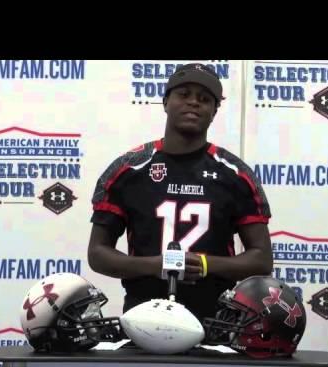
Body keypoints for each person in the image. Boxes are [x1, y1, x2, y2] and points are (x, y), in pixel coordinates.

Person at [88, 63, 272, 321]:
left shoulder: (235, 174)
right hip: (142, 317)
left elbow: (262, 259)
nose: (194, 103)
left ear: (214, 111)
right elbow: (97, 254)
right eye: (184, 94)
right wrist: (155, 265)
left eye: (204, 99)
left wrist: (206, 265)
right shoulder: (128, 170)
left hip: (216, 322)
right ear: (165, 102)